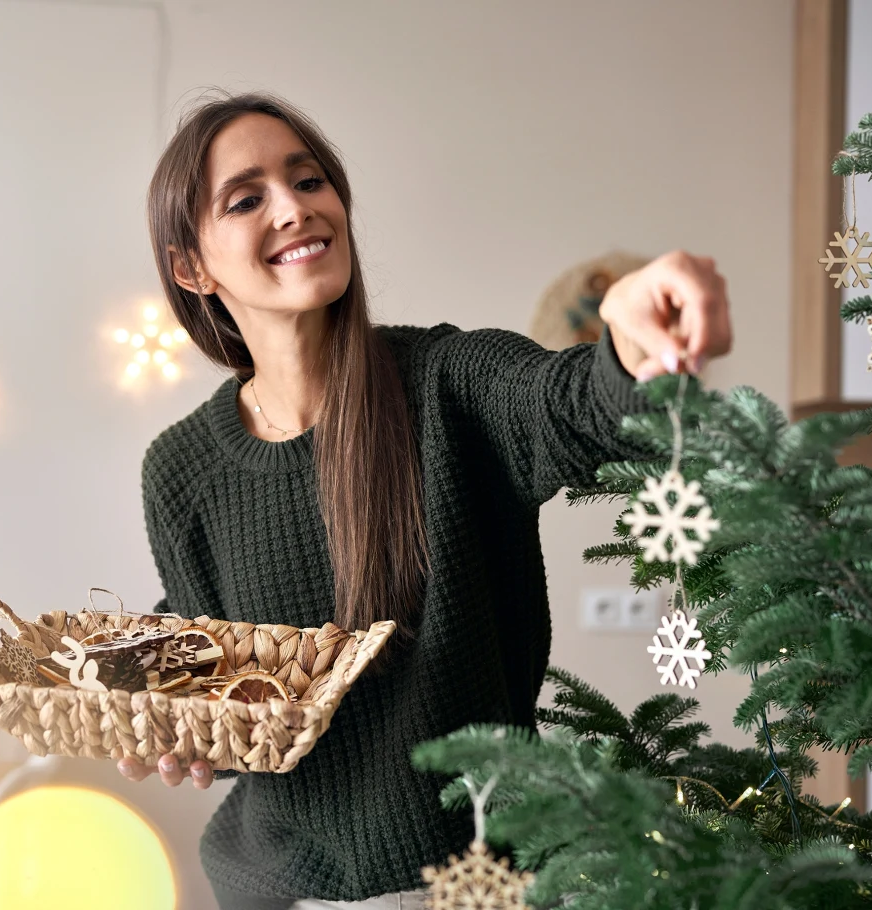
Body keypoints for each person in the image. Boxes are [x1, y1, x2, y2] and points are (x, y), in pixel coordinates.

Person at [117, 92, 733, 910]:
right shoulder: (181, 470)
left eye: (310, 181)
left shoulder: (447, 385)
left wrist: (627, 338)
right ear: (191, 267)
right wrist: (187, 731)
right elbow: (242, 713)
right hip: (276, 890)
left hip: (479, 887)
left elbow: (571, 403)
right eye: (247, 197)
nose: (297, 208)